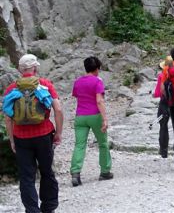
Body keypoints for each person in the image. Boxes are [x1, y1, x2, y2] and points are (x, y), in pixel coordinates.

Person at [2, 53, 64, 213]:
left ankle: (32, 210)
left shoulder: (12, 88)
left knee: (27, 177)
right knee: (46, 171)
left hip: (21, 138)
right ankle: (48, 207)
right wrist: (58, 133)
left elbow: (8, 118)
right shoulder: (44, 84)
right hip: (44, 135)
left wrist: (12, 140)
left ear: (21, 70)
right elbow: (58, 109)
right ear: (35, 67)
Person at [70, 56, 112, 186]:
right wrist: (105, 119)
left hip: (80, 117)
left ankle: (76, 173)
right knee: (103, 143)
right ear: (97, 68)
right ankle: (105, 171)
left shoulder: (77, 82)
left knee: (79, 145)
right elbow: (99, 100)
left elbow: (77, 96)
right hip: (95, 115)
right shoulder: (97, 81)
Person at [152, 56, 173, 158]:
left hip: (164, 102)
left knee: (163, 125)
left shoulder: (162, 75)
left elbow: (158, 92)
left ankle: (163, 150)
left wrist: (153, 94)